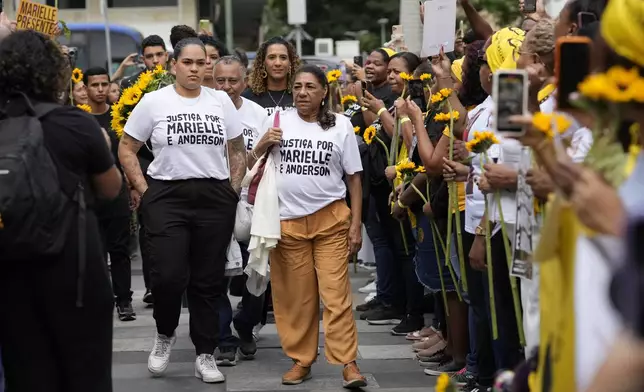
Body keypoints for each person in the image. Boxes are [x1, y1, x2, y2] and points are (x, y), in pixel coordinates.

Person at [118, 37, 247, 384]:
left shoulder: (220, 101)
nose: (194, 69)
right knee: (168, 276)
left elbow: (237, 148)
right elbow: (127, 148)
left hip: (213, 196)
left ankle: (205, 353)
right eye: (186, 62)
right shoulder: (154, 101)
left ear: (208, 65)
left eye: (200, 62)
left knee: (207, 280)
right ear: (174, 65)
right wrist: (145, 191)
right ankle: (165, 334)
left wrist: (232, 190)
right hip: (166, 197)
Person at [0, 30, 122, 392]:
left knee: (26, 371)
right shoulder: (75, 123)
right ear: (54, 72)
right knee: (86, 372)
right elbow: (111, 190)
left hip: (10, 269)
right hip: (74, 269)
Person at [247, 64, 366, 388]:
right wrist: (261, 144)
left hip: (331, 222)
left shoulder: (340, 126)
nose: (302, 92)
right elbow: (248, 164)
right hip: (286, 224)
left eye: (310, 87)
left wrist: (356, 224)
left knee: (336, 295)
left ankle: (348, 364)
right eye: (297, 86)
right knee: (295, 298)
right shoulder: (278, 121)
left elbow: (354, 178)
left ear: (324, 92)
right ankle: (301, 360)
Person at [211, 55, 267, 366]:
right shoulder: (204, 109)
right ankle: (224, 339)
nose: (227, 87)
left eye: (233, 80)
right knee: (215, 276)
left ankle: (246, 325)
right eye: (221, 80)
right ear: (212, 80)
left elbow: (265, 160)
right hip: (214, 203)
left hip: (251, 205)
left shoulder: (257, 114)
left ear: (244, 82)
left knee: (256, 275)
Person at [85, 66, 136, 321]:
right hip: (88, 197)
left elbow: (128, 155)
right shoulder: (80, 119)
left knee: (119, 249)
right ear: (85, 88)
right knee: (92, 251)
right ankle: (98, 300)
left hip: (116, 194)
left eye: (104, 84)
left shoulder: (119, 118)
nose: (101, 89)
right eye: (95, 85)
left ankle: (124, 300)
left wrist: (132, 185)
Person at [243, 36, 300, 115]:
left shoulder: (300, 95)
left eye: (283, 57)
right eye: (272, 57)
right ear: (263, 63)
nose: (278, 63)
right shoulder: (247, 99)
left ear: (290, 62)